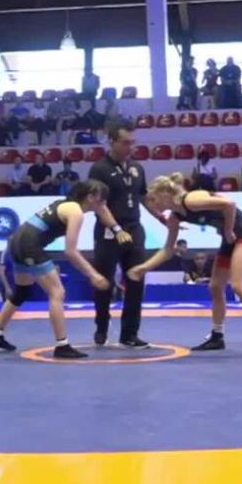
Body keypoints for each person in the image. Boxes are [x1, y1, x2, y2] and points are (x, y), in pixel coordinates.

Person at [131, 173, 242, 353]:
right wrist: (144, 267)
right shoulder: (175, 218)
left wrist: (228, 230)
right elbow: (168, 250)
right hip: (229, 238)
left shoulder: (191, 200)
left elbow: (229, 204)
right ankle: (217, 335)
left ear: (165, 194)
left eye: (153, 200)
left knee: (238, 284)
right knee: (215, 286)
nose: (152, 205)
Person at [0, 180, 111, 358]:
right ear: (90, 197)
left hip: (16, 242)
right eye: (102, 199)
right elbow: (71, 252)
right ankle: (62, 345)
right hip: (29, 245)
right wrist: (93, 275)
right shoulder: (75, 212)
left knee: (21, 292)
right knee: (57, 292)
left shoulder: (64, 204)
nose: (104, 204)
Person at [87, 122, 156, 348]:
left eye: (133, 143)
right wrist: (116, 229)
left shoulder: (137, 168)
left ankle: (130, 334)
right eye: (126, 143)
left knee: (136, 279)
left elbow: (144, 197)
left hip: (134, 228)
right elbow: (99, 205)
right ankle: (101, 327)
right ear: (112, 141)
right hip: (108, 230)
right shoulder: (99, 169)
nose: (130, 148)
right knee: (104, 282)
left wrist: (164, 218)